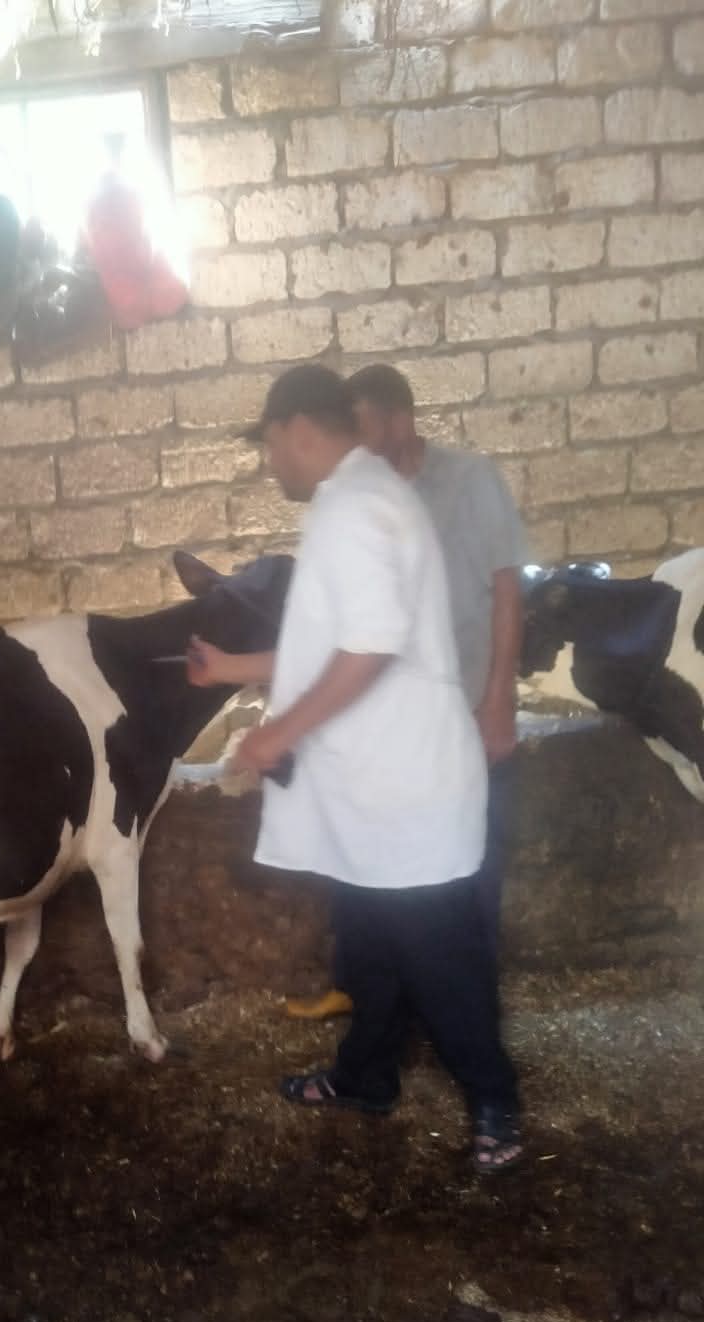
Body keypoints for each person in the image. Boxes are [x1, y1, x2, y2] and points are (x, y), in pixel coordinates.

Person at [187, 364, 522, 1174]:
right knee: (371, 943)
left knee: (439, 954)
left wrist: (276, 734)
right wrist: (230, 668)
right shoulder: (363, 496)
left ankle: (497, 1106)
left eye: (270, 445)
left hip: (402, 786)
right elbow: (333, 644)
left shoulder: (355, 508)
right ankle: (367, 1076)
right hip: (376, 789)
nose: (270, 462)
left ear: (299, 430)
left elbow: (371, 646)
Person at [288, 362, 527, 1021]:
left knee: (465, 872)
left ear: (401, 418)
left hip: (467, 703)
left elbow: (508, 592)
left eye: (362, 425)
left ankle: (466, 1014)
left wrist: (499, 698)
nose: (354, 441)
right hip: (395, 726)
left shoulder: (471, 481)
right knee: (368, 866)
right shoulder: (365, 494)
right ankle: (368, 999)